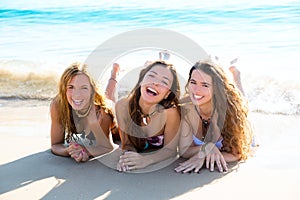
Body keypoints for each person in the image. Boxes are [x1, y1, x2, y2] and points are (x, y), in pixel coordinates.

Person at [175, 61, 253, 173]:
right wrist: (207, 148)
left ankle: (236, 75)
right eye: (193, 82)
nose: (196, 90)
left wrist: (204, 156)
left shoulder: (230, 112)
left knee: (242, 102)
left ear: (216, 88)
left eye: (205, 85)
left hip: (240, 122)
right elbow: (185, 151)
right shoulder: (185, 109)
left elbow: (237, 153)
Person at [116, 60, 181, 172]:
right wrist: (128, 158)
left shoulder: (170, 113)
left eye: (164, 82)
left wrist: (146, 160)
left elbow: (171, 150)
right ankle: (114, 74)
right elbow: (127, 145)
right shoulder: (122, 106)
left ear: (167, 94)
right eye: (152, 76)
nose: (155, 83)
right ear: (141, 80)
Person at [50, 62, 119, 162]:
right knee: (108, 96)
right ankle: (114, 73)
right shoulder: (58, 106)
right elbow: (55, 145)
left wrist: (86, 151)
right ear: (63, 88)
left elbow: (108, 147)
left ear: (92, 90)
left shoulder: (101, 112)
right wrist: (68, 150)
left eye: (84, 88)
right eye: (71, 87)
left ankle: (114, 74)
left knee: (109, 98)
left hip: (115, 127)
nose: (77, 95)